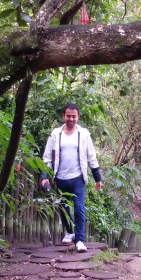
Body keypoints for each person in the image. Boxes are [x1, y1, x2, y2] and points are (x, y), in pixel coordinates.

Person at [41, 103, 102, 252]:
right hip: (60, 178)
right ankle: (69, 231)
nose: (71, 119)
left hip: (78, 178)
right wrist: (44, 176)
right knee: (64, 208)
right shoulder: (55, 134)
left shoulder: (84, 134)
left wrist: (97, 177)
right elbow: (47, 157)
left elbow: (91, 156)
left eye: (74, 116)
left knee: (79, 209)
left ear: (78, 117)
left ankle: (80, 240)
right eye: (68, 116)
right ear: (63, 116)